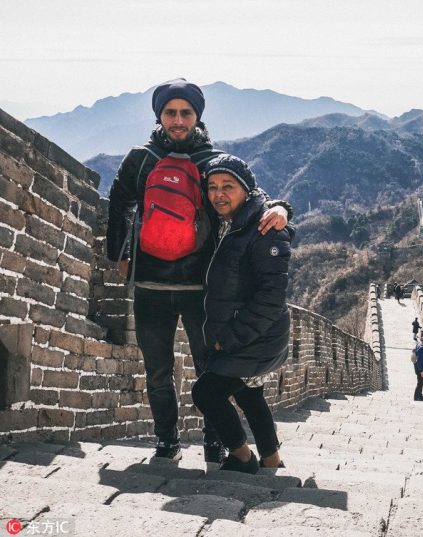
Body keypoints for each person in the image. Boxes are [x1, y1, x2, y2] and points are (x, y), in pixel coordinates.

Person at [106, 79, 291, 462]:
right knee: (157, 370)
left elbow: (250, 198)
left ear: (197, 117)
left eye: (185, 113)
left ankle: (215, 441)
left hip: (200, 288)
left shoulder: (211, 161)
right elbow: (119, 201)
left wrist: (282, 209)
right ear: (159, 115)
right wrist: (118, 253)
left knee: (209, 372)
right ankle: (167, 440)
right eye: (170, 112)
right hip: (149, 284)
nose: (177, 120)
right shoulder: (140, 159)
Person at [191, 154, 291, 473]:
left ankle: (241, 457)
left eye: (228, 186)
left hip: (257, 335)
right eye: (213, 186)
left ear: (245, 190)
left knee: (206, 393)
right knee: (249, 394)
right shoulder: (226, 221)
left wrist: (229, 339)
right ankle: (272, 460)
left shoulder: (264, 228)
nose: (219, 194)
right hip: (246, 331)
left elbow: (271, 298)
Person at [413, 332, 423, 402]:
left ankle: (419, 396)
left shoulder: (419, 344)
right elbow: (421, 360)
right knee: (420, 382)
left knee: (421, 381)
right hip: (420, 368)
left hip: (416, 366)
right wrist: (422, 371)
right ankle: (416, 397)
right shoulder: (422, 348)